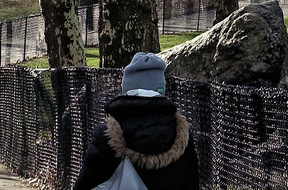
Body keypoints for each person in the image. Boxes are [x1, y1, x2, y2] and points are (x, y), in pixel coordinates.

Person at [72, 53, 198, 190]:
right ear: (161, 88)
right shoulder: (182, 135)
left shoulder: (108, 135)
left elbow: (84, 184)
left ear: (126, 88)